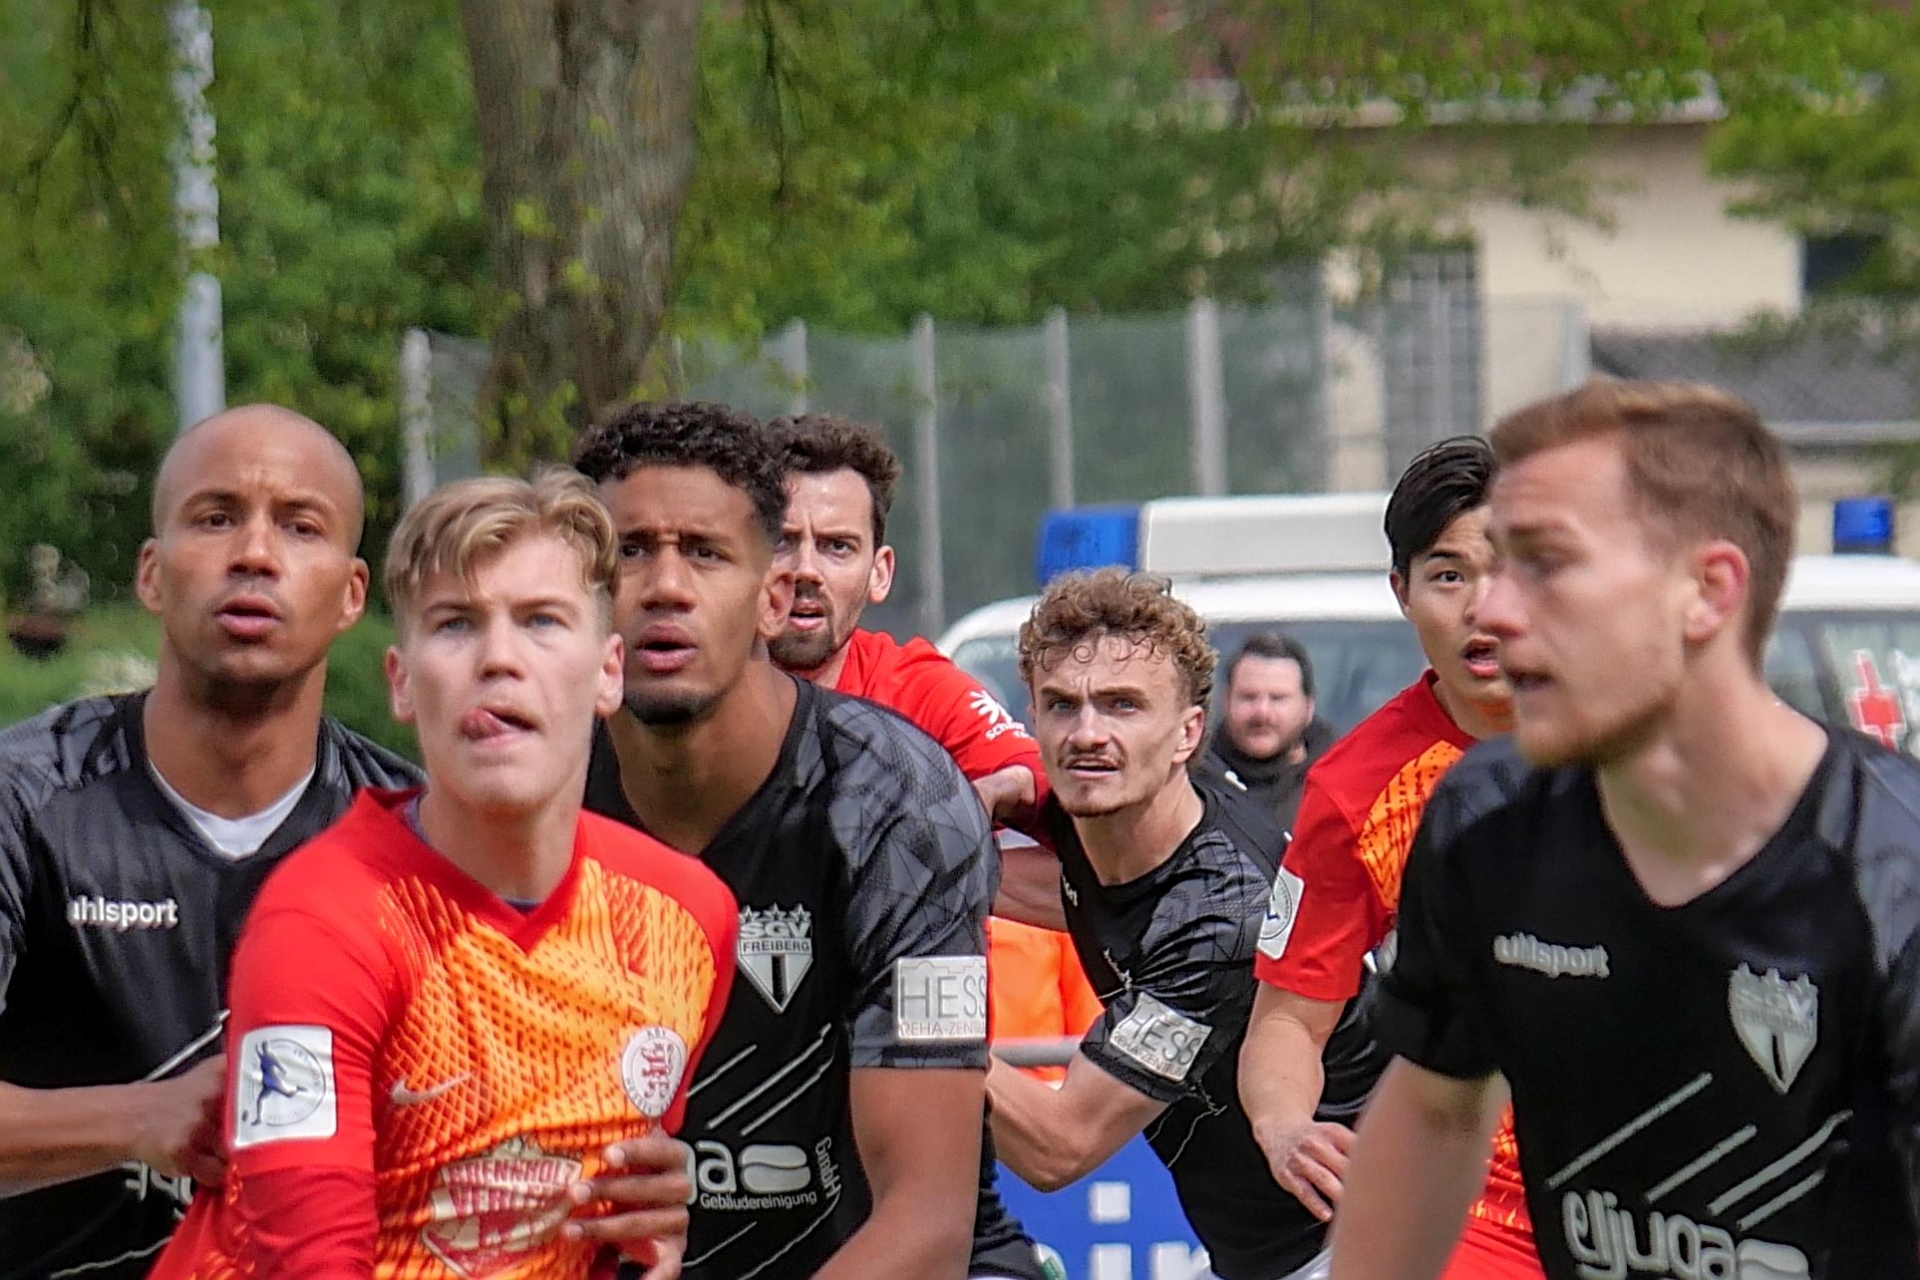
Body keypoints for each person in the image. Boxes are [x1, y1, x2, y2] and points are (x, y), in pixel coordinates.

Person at [1333, 381, 1920, 1278]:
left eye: (1546, 563)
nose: (1493, 612)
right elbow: (1435, 1110)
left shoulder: (1892, 877)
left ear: (1707, 592)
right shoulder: (1487, 822)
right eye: (1488, 566)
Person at [151, 469, 738, 1278]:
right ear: (401, 681)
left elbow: (626, 1214)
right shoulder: (319, 928)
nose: (499, 659)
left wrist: (644, 1236)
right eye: (457, 625)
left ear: (610, 672)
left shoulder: (686, 917)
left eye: (541, 621)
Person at [574, 402, 996, 1280]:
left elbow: (928, 1222)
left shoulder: (901, 807)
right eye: (631, 552)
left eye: (704, 552)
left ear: (771, 599)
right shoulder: (527, 798)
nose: (664, 587)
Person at [0, 405, 421, 1280]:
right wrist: (140, 1120)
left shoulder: (412, 836)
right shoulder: (24, 800)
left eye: (300, 526)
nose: (255, 554)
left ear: (352, 595)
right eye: (216, 517)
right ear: (152, 575)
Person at [987, 568, 1382, 1280]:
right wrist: (945, 858)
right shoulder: (1123, 815)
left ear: (1187, 732)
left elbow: (1059, 1146)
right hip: (1259, 1254)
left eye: (1123, 705)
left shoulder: (1220, 917)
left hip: (1359, 1249)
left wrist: (895, 1007)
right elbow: (1083, 894)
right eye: (1062, 705)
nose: (1088, 734)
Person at [764, 410, 1068, 1279]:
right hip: (740, 1126)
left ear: (879, 570)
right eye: (783, 541)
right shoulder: (682, 698)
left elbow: (1061, 822)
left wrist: (917, 870)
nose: (806, 570)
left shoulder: (916, 685)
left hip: (911, 1120)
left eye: (837, 546)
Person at [1238, 436, 1539, 1278]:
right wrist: (1285, 1126)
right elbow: (1288, 1020)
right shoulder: (1355, 791)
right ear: (1401, 590)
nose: (1482, 607)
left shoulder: (1638, 741)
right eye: (1448, 576)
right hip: (1475, 1212)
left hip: (1652, 1183)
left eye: (1508, 570)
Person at [1194, 632, 1335, 834]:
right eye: (1248, 697)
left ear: (1308, 707)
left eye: (1278, 698)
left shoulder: (1337, 790)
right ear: (1226, 700)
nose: (1262, 713)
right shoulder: (1192, 783)